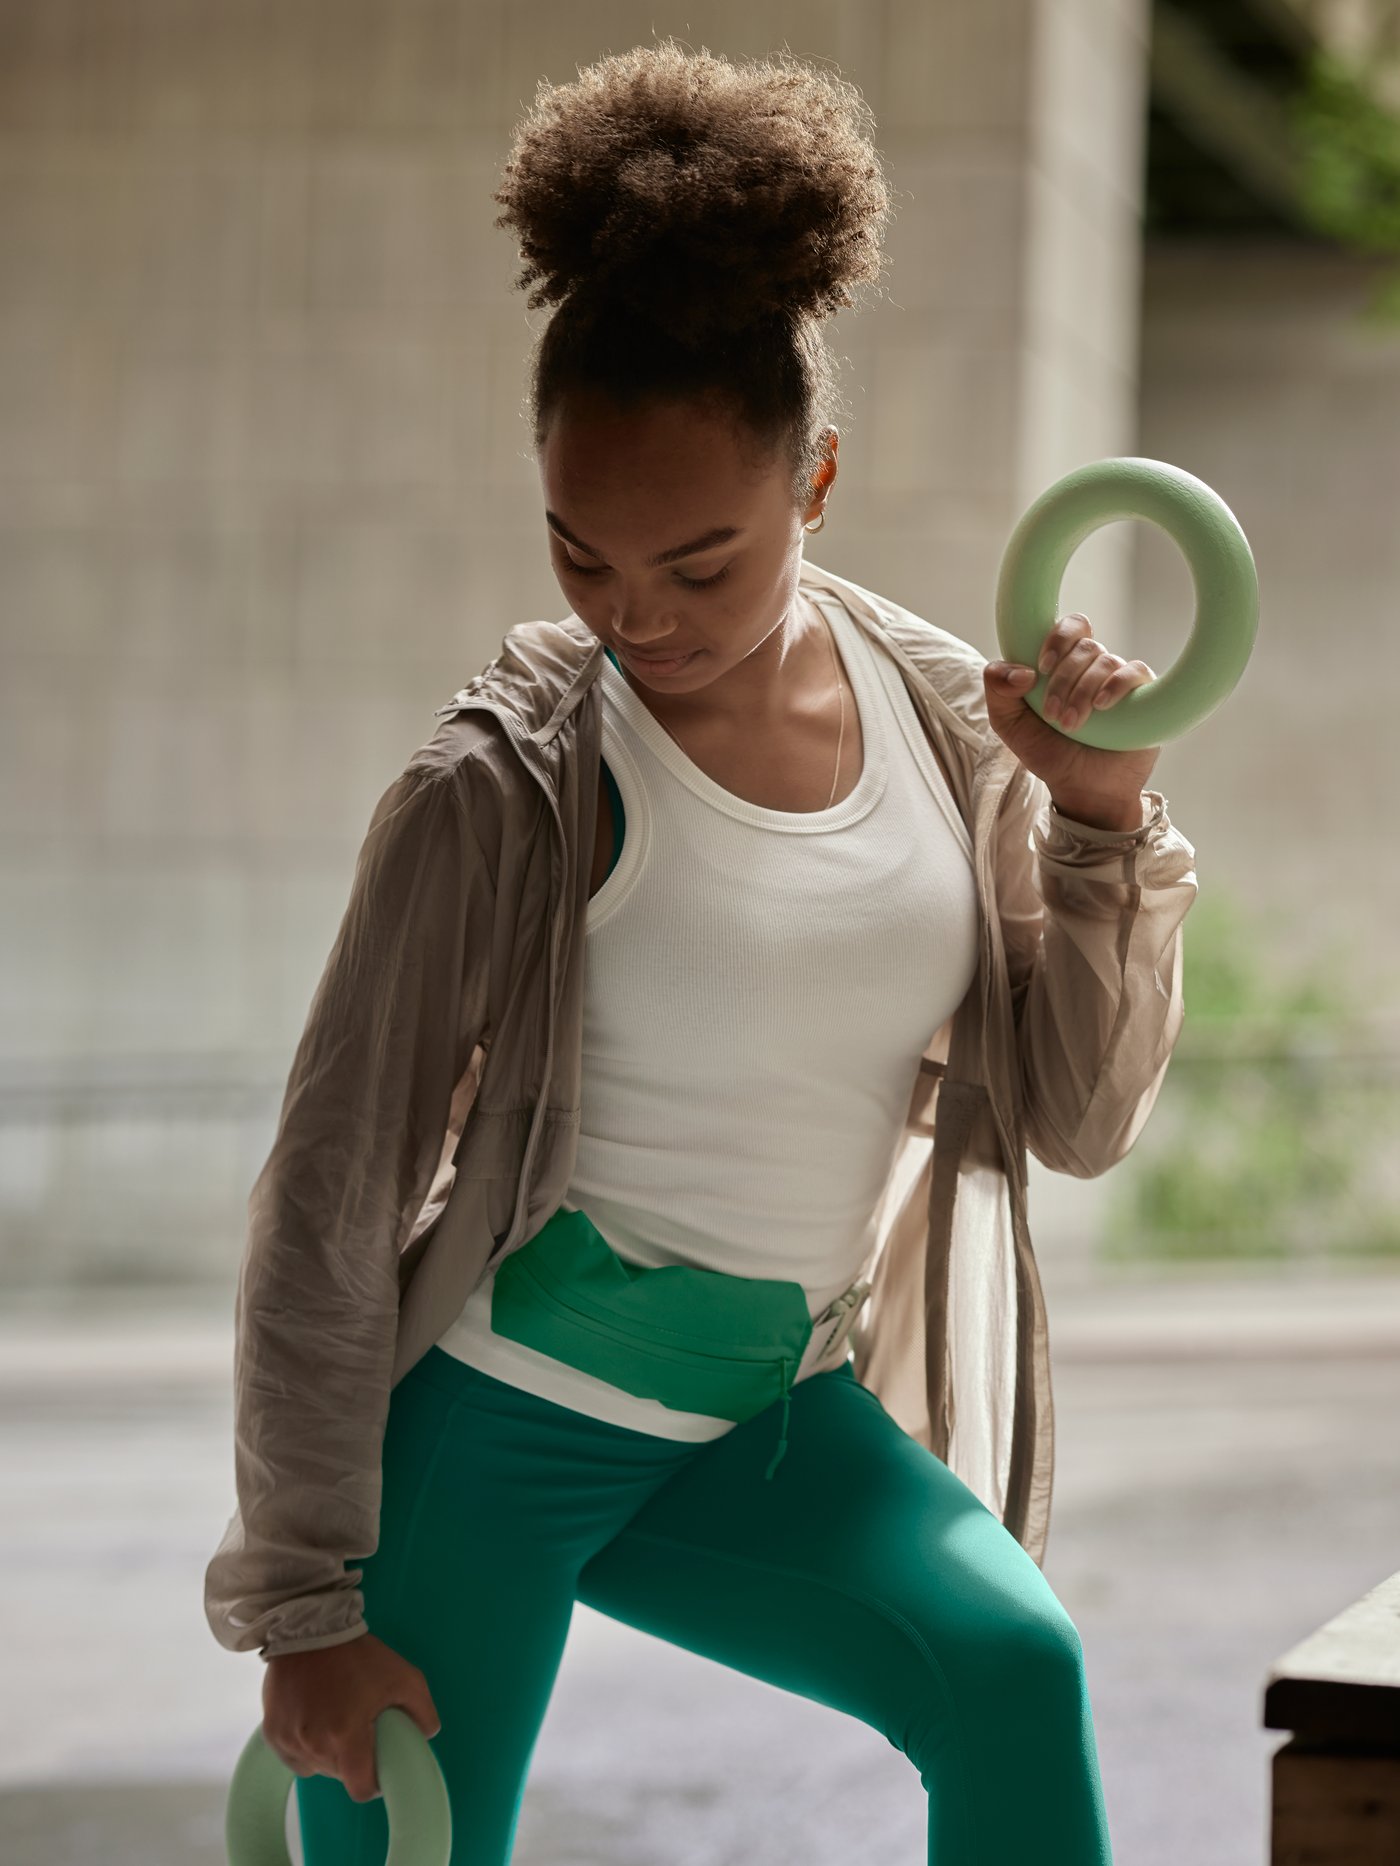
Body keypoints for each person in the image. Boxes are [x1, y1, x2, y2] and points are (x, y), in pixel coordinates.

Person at [206, 39, 1198, 1866]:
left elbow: (1077, 1114)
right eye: (585, 558)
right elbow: (331, 1195)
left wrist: (1104, 825)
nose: (637, 617)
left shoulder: (952, 735)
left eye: (699, 562)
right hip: (489, 1442)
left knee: (1012, 1673)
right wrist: (304, 1605)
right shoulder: (495, 788)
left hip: (770, 1417)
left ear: (815, 480)